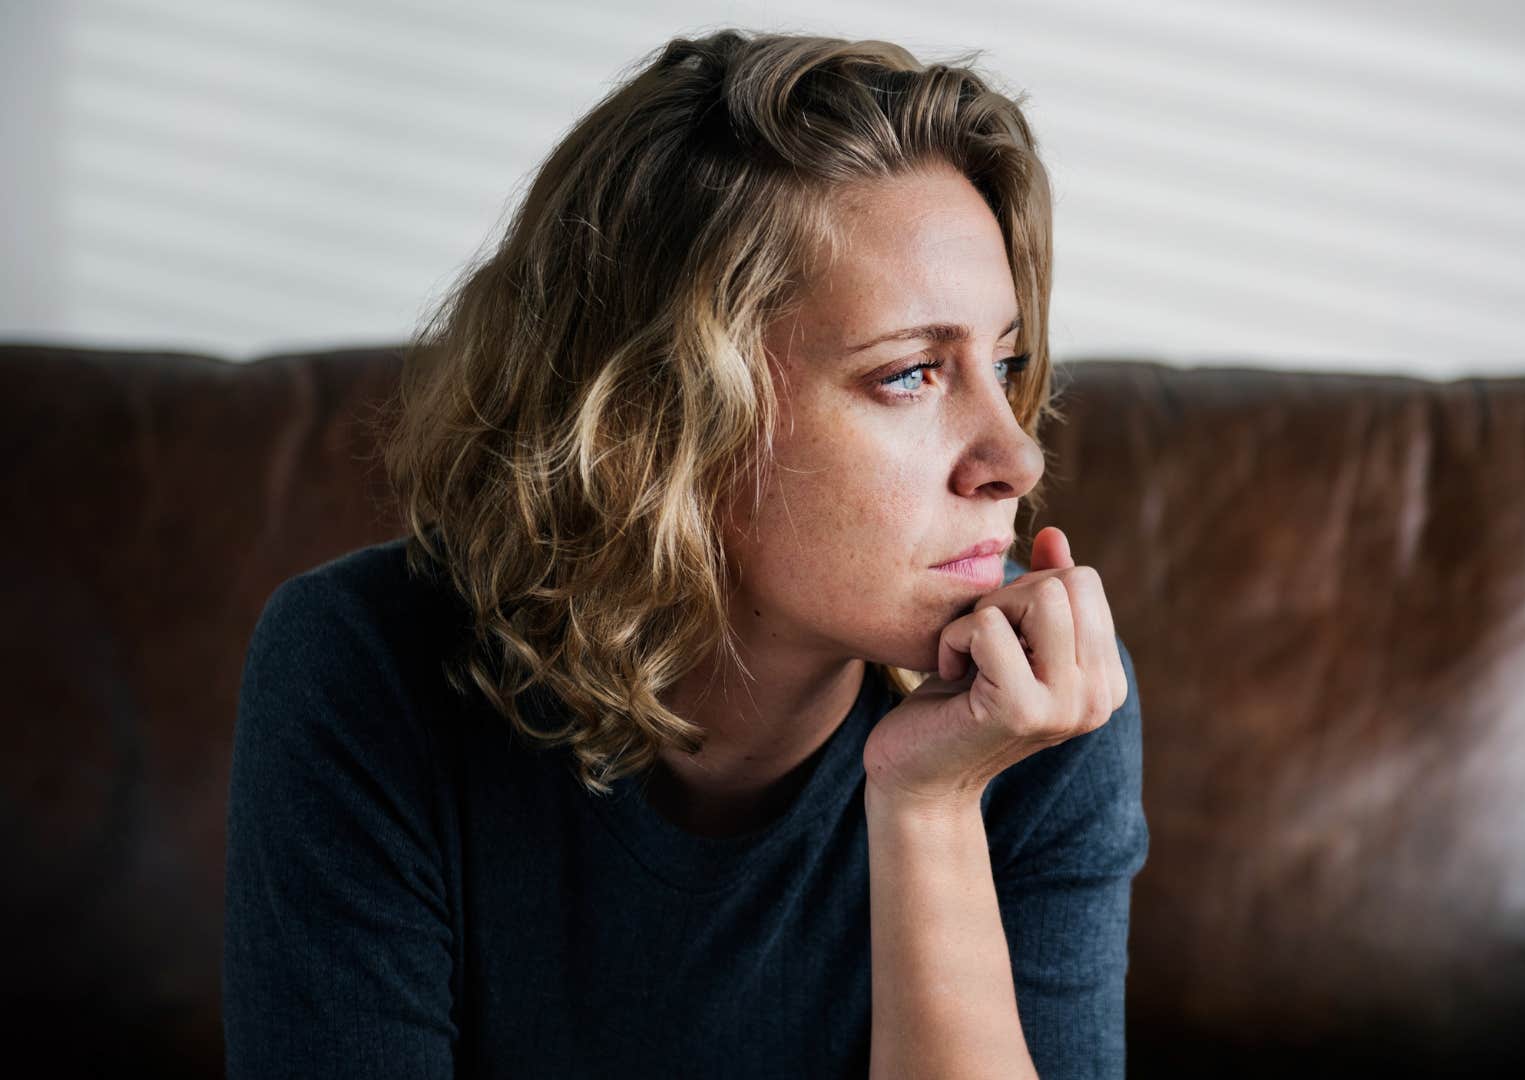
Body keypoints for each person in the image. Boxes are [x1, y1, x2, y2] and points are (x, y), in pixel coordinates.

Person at [222, 27, 1147, 1079]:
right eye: (909, 374)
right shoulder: (363, 668)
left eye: (1007, 358)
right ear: (661, 419)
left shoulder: (1045, 704)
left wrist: (928, 808)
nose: (1016, 456)